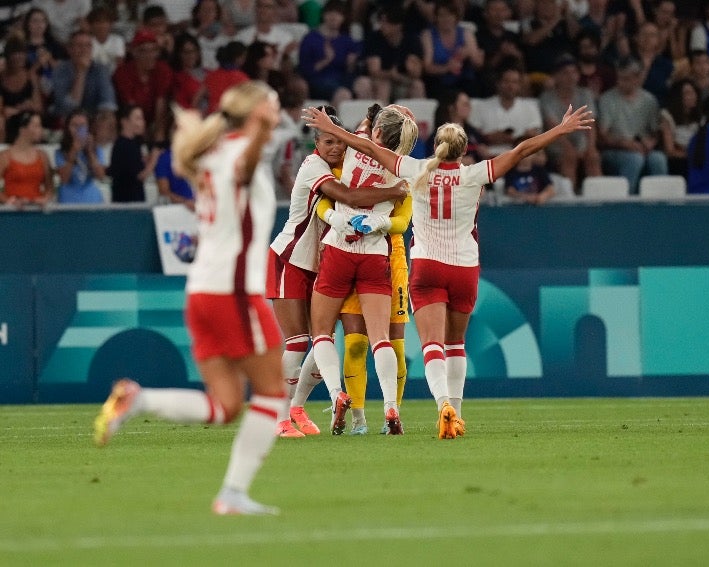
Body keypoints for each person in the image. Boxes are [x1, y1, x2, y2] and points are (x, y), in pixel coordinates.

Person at [303, 102, 594, 438]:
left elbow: (367, 146)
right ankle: (455, 410)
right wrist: (560, 129)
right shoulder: (474, 174)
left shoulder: (415, 170)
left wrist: (331, 127)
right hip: (464, 267)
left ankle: (442, 403)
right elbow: (522, 149)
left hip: (426, 266)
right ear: (465, 149)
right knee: (456, 344)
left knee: (432, 346)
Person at [94, 81, 288, 516]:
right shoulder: (240, 153)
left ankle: (137, 399)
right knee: (274, 390)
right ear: (256, 113)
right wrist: (261, 132)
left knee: (225, 406)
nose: (278, 111)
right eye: (272, 105)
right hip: (233, 293)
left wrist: (259, 130)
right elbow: (246, 166)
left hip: (201, 291)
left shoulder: (210, 155)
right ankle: (233, 494)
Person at [266, 106, 407, 437]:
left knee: (321, 341)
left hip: (321, 260)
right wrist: (394, 191)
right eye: (328, 142)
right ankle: (278, 418)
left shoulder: (343, 162)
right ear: (316, 142)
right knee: (299, 342)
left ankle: (297, 408)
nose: (336, 148)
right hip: (290, 258)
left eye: (339, 143)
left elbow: (370, 143)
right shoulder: (316, 167)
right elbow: (348, 196)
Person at [597, 57, 667, 194]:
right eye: (620, 78)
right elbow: (602, 135)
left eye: (626, 79)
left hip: (642, 147)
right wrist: (624, 143)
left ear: (637, 78)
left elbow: (655, 131)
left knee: (658, 159)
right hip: (616, 149)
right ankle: (627, 202)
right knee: (634, 159)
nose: (621, 82)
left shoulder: (649, 100)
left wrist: (651, 142)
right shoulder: (607, 99)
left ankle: (660, 202)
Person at [538, 55, 600, 188]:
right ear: (556, 76)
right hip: (556, 141)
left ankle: (598, 197)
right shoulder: (547, 98)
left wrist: (591, 147)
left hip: (581, 138)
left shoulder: (585, 94)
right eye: (565, 73)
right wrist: (569, 148)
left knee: (593, 157)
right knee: (569, 157)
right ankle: (569, 197)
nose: (571, 77)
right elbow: (553, 127)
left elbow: (590, 123)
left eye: (574, 72)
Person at [468, 64, 543, 155]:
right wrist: (488, 138)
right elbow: (474, 136)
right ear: (498, 83)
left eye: (514, 82)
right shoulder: (480, 106)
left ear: (520, 85)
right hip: (489, 158)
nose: (510, 86)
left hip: (521, 158)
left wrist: (514, 140)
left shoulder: (531, 106)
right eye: (506, 81)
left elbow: (533, 136)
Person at [50, 30, 118, 123]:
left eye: (88, 45)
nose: (84, 49)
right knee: (76, 124)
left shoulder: (100, 69)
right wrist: (81, 72)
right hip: (68, 121)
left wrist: (100, 124)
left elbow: (108, 104)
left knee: (109, 119)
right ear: (69, 49)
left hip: (93, 120)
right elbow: (68, 108)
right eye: (79, 45)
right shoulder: (60, 70)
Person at [420, 0, 484, 99]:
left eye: (449, 15)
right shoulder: (428, 35)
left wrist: (469, 53)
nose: (446, 19)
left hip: (463, 79)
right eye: (442, 15)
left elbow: (477, 64)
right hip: (438, 81)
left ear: (455, 17)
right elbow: (427, 67)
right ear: (436, 17)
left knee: (474, 86)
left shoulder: (466, 34)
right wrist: (447, 68)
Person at [109, 105, 161, 203]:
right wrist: (154, 159)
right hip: (126, 203)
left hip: (136, 200)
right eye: (138, 119)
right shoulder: (123, 145)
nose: (142, 123)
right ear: (125, 121)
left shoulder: (135, 144)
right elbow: (139, 176)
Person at [0, 111, 53, 207]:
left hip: (37, 210)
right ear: (22, 129)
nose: (40, 130)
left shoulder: (42, 155)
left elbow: (50, 186)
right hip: (14, 211)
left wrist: (45, 199)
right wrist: (10, 201)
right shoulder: (5, 156)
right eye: (36, 126)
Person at [55, 109, 108, 203]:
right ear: (68, 128)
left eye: (82, 126)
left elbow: (101, 177)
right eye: (74, 125)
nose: (78, 129)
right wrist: (73, 152)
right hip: (68, 199)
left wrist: (90, 152)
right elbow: (64, 179)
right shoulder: (60, 152)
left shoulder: (96, 149)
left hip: (91, 198)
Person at [660, 78, 701, 178]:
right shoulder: (667, 116)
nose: (692, 96)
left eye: (693, 92)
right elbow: (670, 151)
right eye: (687, 93)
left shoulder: (700, 117)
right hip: (678, 160)